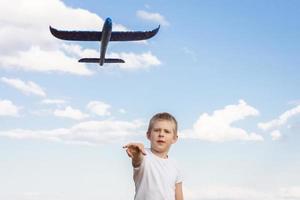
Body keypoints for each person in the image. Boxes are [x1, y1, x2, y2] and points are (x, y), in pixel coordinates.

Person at [123, 112, 184, 200]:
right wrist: (136, 153)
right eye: (156, 130)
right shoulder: (143, 155)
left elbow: (179, 197)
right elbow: (137, 160)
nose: (161, 134)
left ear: (174, 138)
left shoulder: (176, 166)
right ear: (148, 135)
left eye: (166, 131)